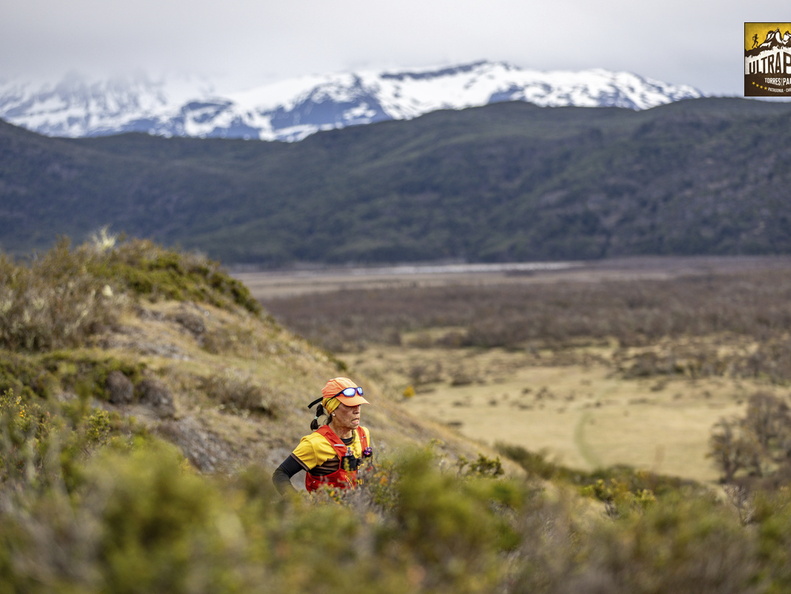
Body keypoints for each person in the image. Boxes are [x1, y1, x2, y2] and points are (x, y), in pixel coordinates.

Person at [272, 377, 372, 496]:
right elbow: (280, 474)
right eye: (349, 405)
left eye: (358, 404)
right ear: (332, 410)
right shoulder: (315, 443)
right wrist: (298, 502)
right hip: (326, 508)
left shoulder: (363, 434)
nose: (357, 410)